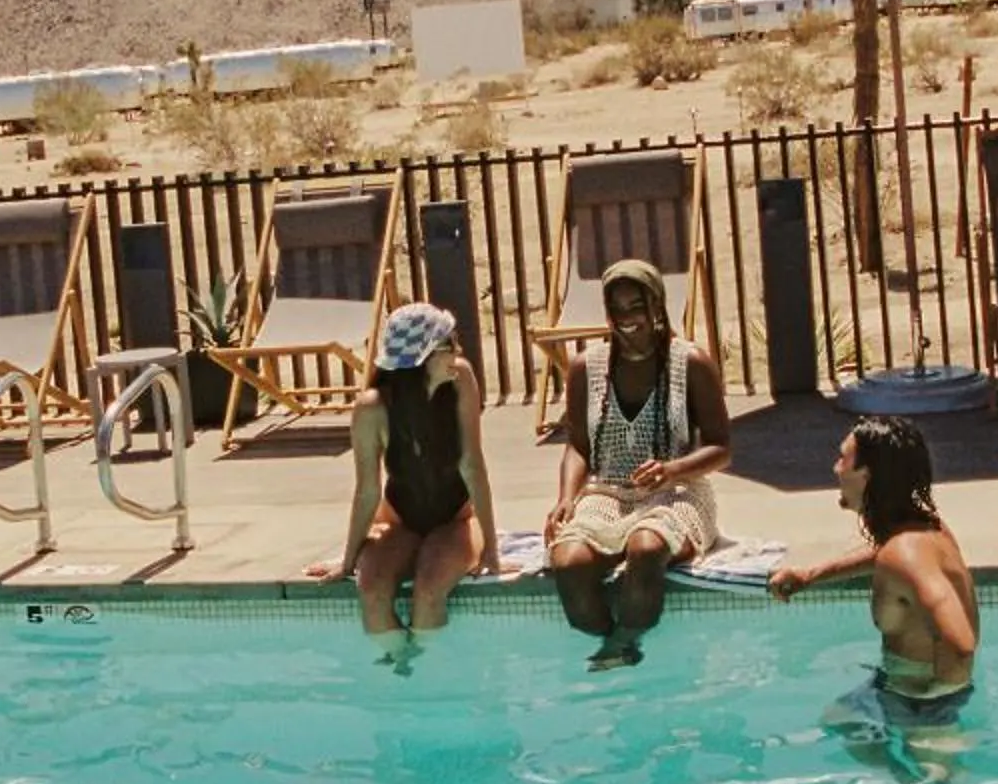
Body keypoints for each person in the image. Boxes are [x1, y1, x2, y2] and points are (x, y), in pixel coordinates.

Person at [543, 258, 732, 671]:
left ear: (657, 306)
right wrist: (565, 499)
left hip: (678, 491)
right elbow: (577, 446)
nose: (628, 318)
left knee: (645, 547)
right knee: (569, 563)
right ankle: (614, 645)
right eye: (618, 309)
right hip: (606, 492)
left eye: (637, 306)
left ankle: (621, 646)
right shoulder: (584, 367)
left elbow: (721, 448)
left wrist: (673, 470)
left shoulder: (690, 363)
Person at [307, 303, 503, 668]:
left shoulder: (460, 380)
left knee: (429, 592)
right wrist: (348, 561)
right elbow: (367, 490)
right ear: (423, 357)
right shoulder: (372, 409)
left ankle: (428, 667)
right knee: (372, 591)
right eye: (450, 344)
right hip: (400, 522)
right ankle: (403, 662)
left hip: (455, 519)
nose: (458, 352)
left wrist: (492, 548)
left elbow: (472, 465)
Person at [767, 417, 981, 735]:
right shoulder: (922, 530)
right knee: (840, 722)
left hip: (922, 702)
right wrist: (810, 575)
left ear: (865, 475)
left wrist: (931, 710)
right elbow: (885, 554)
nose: (835, 468)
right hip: (900, 689)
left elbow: (961, 643)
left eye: (843, 458)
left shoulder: (905, 554)